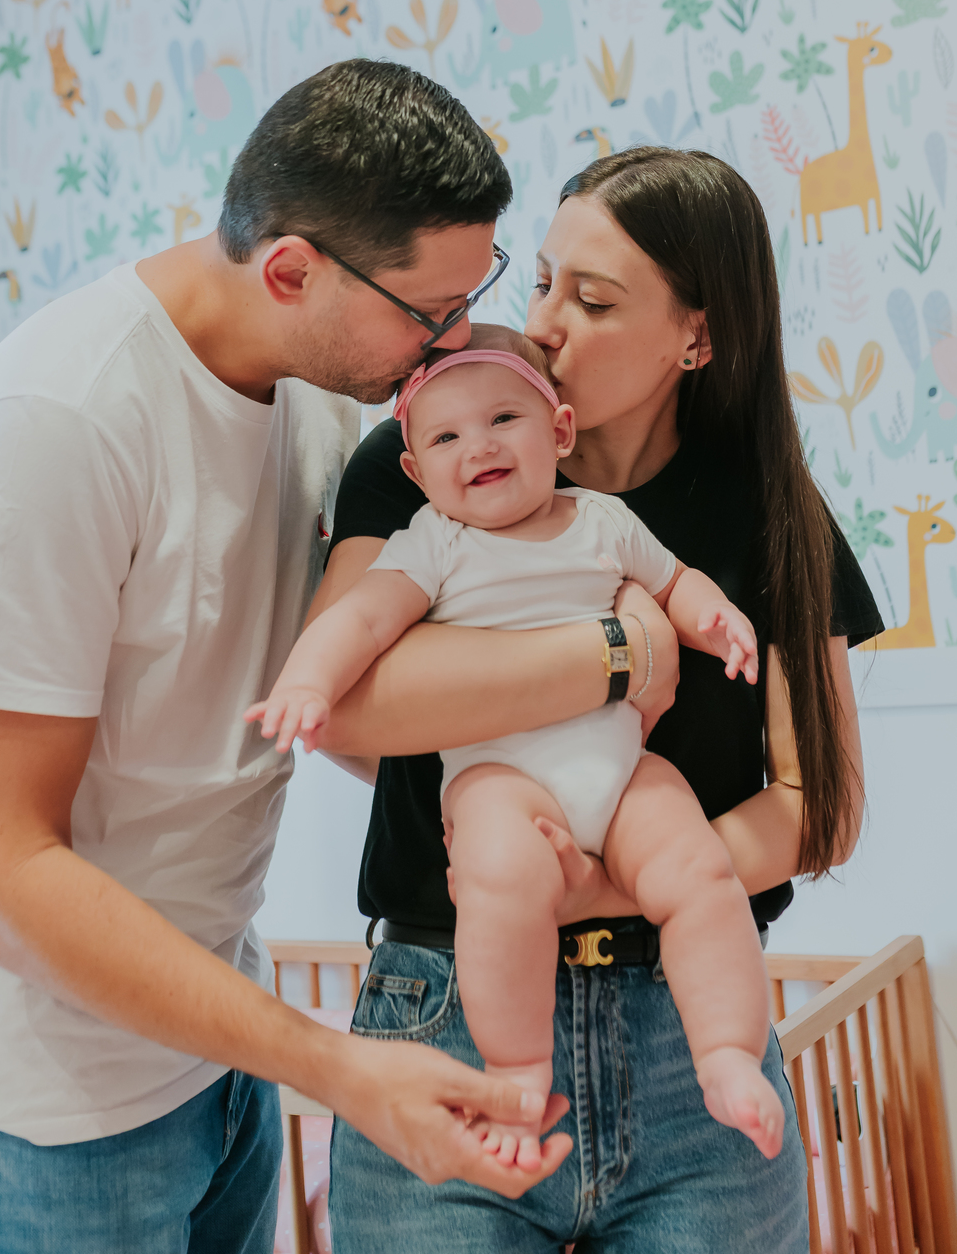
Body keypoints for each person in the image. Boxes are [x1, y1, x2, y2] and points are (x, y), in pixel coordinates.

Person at [0, 61, 576, 1254]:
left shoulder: (318, 393)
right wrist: (333, 1066)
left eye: (474, 296)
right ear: (292, 270)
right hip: (42, 1111)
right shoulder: (54, 425)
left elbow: (322, 696)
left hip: (212, 1044)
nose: (455, 341)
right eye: (430, 313)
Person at [315, 147, 884, 1253]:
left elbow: (820, 807)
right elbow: (347, 705)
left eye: (594, 299)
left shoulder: (768, 507)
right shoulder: (428, 456)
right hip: (446, 1016)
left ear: (696, 337)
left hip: (693, 1026)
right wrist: (618, 654)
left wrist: (599, 885)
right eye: (541, 283)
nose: (543, 326)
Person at [250, 330, 784, 1171]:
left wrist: (714, 619)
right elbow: (360, 620)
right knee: (501, 882)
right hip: (501, 776)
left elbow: (676, 582)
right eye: (447, 435)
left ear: (560, 430)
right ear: (416, 469)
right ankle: (517, 1071)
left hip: (623, 769)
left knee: (701, 872)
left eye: (504, 418)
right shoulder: (433, 541)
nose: (481, 445)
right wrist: (309, 683)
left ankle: (725, 1053)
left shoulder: (603, 520)